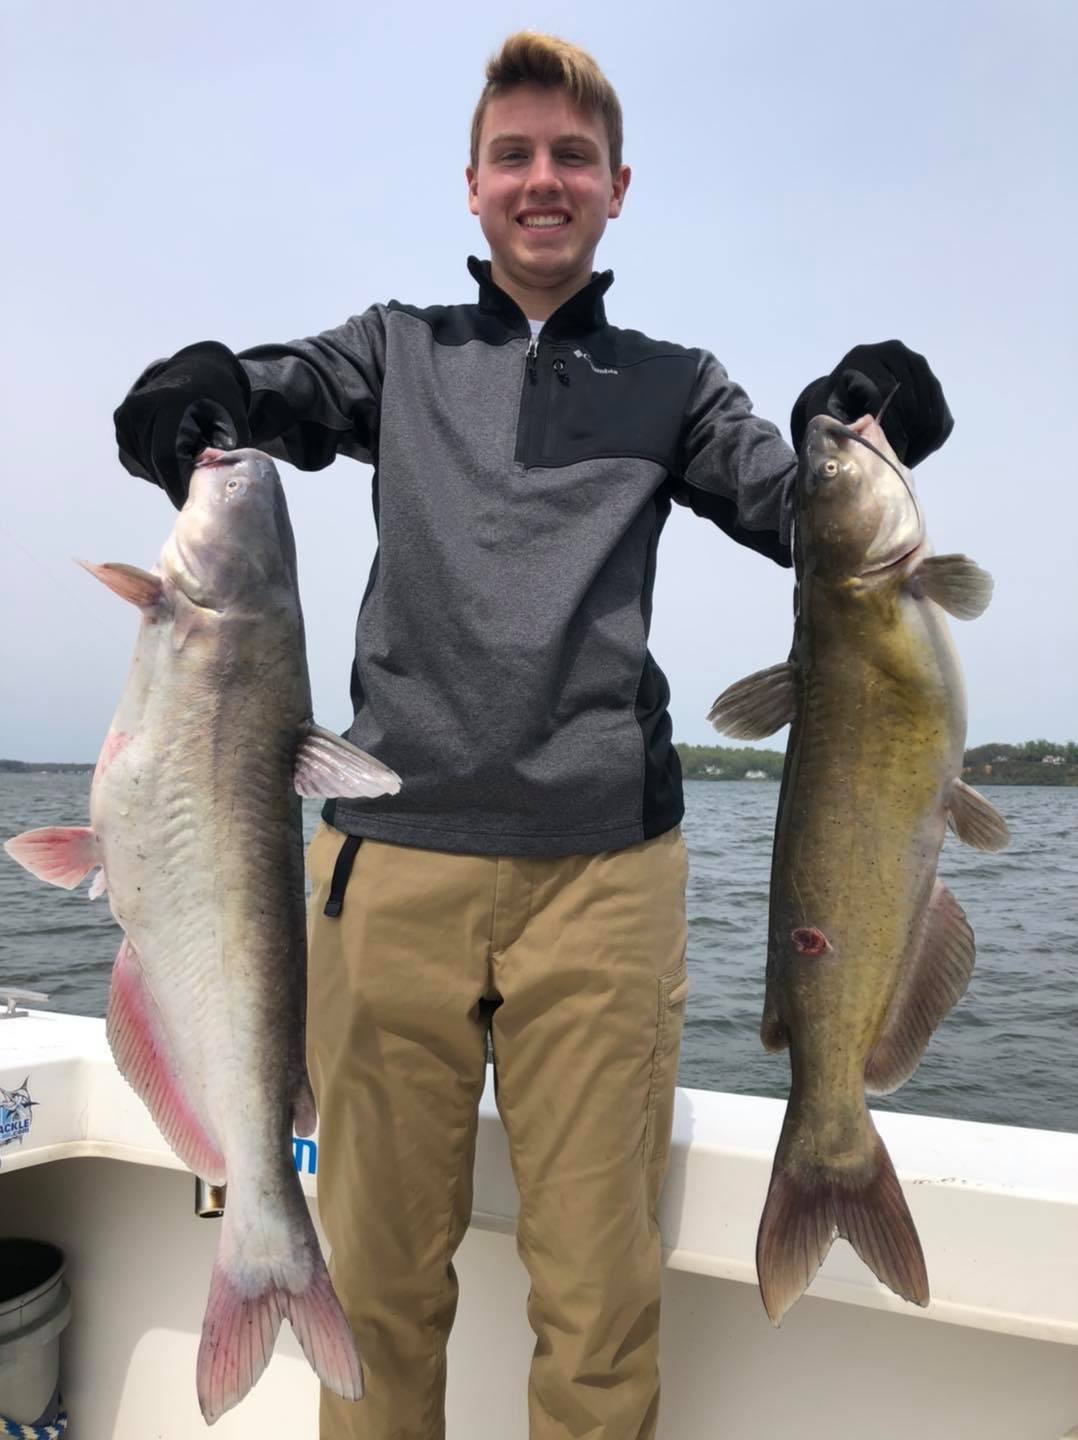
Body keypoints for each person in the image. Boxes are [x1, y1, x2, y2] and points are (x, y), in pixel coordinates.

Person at [113, 31, 952, 1440]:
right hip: (391, 872)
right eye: (514, 155)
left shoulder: (673, 385)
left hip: (605, 889)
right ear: (471, 185)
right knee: (372, 1284)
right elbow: (284, 399)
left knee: (600, 1293)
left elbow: (797, 505)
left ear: (619, 187)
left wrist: (855, 416)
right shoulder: (397, 349)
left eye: (572, 157)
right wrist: (209, 393)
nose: (541, 180)